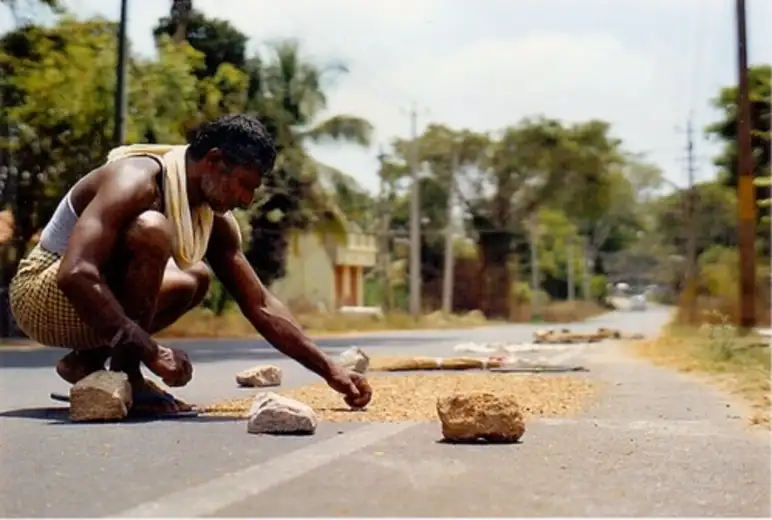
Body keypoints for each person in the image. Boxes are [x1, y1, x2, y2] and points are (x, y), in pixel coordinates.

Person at [8, 114, 372, 413]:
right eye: (244, 185)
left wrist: (330, 370)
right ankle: (127, 373)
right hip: (41, 295)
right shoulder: (136, 179)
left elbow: (260, 303)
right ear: (214, 162)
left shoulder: (210, 219)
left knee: (193, 278)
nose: (246, 200)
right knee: (152, 229)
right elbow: (76, 273)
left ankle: (85, 363)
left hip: (89, 309)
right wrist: (151, 352)